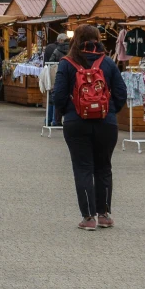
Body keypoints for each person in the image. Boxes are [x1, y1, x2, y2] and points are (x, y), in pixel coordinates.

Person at [51, 24, 127, 231]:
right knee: (104, 167)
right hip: (106, 123)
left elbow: (58, 95)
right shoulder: (107, 62)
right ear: (97, 39)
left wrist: (68, 112)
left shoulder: (67, 63)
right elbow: (121, 92)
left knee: (82, 167)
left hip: (76, 123)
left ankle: (88, 218)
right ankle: (104, 215)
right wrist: (109, 110)